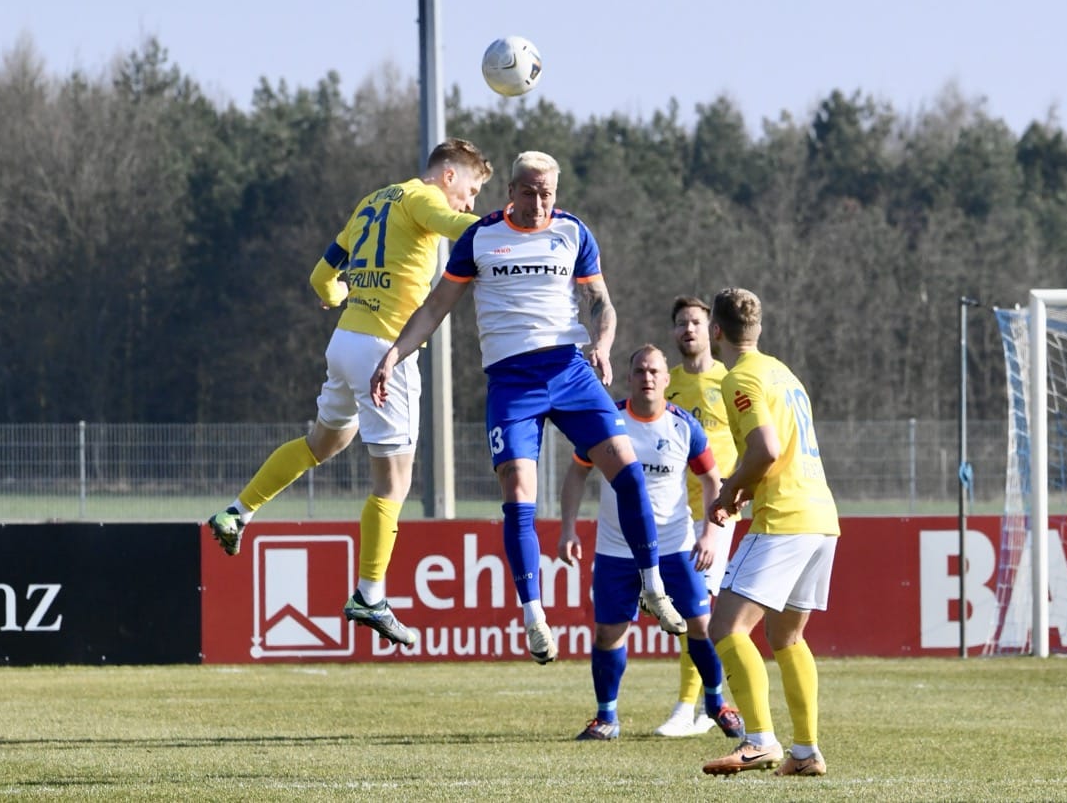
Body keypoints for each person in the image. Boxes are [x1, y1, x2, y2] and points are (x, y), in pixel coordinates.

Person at [369, 150, 686, 665]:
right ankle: (534, 616)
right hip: (512, 381)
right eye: (529, 192)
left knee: (629, 474)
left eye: (548, 193)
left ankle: (652, 586)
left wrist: (603, 345)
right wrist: (393, 355)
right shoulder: (480, 237)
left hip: (570, 369)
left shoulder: (574, 233)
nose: (539, 203)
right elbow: (434, 308)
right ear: (510, 192)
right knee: (519, 493)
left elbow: (601, 302)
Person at [205, 138, 494, 648]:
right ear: (448, 175)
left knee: (322, 444)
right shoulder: (425, 199)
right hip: (388, 351)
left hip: (345, 340)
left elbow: (322, 277)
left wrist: (339, 294)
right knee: (393, 483)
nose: (470, 202)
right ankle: (370, 594)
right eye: (471, 190)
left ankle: (238, 511)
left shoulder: (372, 201)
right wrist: (517, 230)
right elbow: (463, 229)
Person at [558, 344, 744, 741]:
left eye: (654, 371)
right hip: (616, 551)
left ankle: (716, 702)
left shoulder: (684, 426)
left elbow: (713, 480)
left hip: (676, 547)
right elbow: (576, 474)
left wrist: (711, 530)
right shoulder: (609, 421)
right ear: (630, 377)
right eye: (640, 371)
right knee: (609, 633)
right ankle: (606, 717)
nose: (647, 378)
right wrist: (568, 528)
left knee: (702, 625)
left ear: (666, 379)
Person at [700, 287, 839, 778]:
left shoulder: (740, 378)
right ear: (756, 331)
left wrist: (728, 490)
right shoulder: (783, 372)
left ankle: (759, 741)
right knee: (787, 635)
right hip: (822, 516)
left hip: (784, 518)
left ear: (716, 331)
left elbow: (765, 450)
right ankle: (806, 751)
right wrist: (742, 488)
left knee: (726, 627)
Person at [654, 295, 741, 737]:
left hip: (718, 512)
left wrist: (739, 493)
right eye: (682, 324)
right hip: (674, 515)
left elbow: (748, 442)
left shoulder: (728, 381)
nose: (689, 330)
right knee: (691, 610)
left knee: (696, 609)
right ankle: (704, 704)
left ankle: (694, 706)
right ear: (674, 332)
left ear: (712, 331)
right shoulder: (666, 386)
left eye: (696, 323)